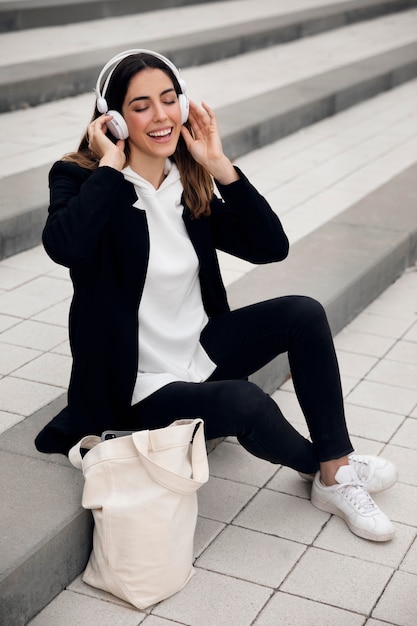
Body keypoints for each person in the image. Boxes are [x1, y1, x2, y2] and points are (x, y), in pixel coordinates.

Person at [35, 49, 397, 542]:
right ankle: (332, 470)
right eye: (141, 106)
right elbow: (65, 247)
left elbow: (271, 246)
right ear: (113, 118)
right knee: (246, 404)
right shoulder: (80, 178)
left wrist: (219, 165)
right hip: (137, 386)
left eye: (169, 100)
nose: (160, 116)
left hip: (198, 351)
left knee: (303, 314)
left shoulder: (186, 181)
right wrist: (111, 167)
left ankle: (335, 469)